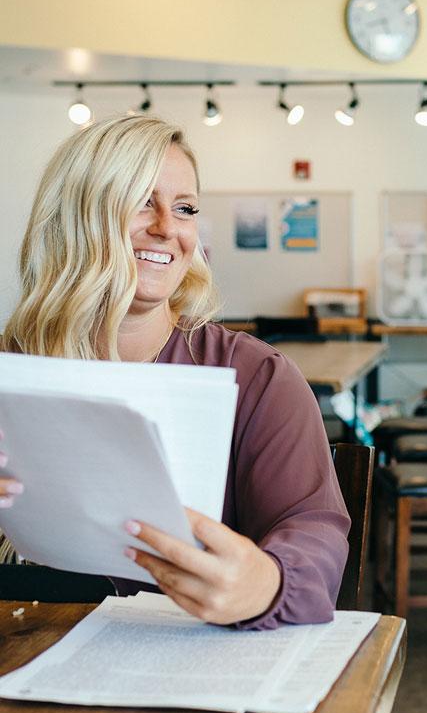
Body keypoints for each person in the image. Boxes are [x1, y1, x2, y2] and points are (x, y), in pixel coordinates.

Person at [0, 114, 350, 629]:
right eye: (142, 200)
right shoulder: (13, 368)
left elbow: (312, 530)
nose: (168, 227)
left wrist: (267, 583)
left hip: (190, 667)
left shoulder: (256, 377)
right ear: (76, 216)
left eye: (184, 208)